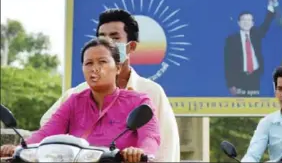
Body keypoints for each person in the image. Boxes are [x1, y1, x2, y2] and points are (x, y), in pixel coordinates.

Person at [39, 9, 180, 162]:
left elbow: (166, 147)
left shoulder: (151, 93)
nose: (107, 44)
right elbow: (46, 131)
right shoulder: (77, 93)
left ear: (131, 46)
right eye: (102, 38)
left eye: (114, 38)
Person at [0, 37, 160, 162]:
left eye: (102, 62)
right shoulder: (74, 101)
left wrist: (140, 152)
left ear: (118, 68)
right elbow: (46, 133)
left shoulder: (139, 101)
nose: (94, 68)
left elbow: (150, 137)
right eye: (88, 63)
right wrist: (20, 148)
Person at [224, 0, 275, 97]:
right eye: (243, 20)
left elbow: (266, 24)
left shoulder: (256, 34)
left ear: (253, 23)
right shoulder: (231, 39)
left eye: (249, 20)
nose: (246, 22)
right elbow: (228, 63)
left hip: (255, 76)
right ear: (238, 22)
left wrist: (271, 4)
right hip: (239, 78)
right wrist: (231, 84)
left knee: (254, 104)